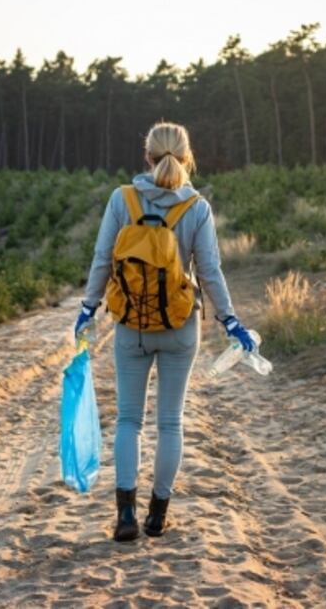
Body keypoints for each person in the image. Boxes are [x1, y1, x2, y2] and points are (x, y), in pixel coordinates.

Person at [73, 121, 255, 542]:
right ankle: (157, 516)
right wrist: (230, 320)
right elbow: (209, 272)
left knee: (128, 421)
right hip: (179, 326)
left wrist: (87, 309)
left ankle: (125, 518)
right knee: (170, 422)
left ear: (147, 157)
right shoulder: (197, 208)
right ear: (187, 158)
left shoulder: (122, 199)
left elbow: (102, 259)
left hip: (131, 326)